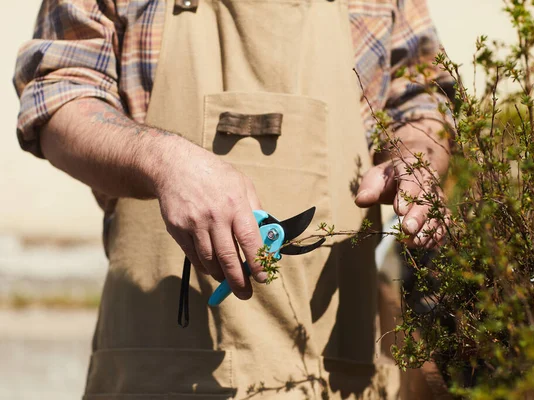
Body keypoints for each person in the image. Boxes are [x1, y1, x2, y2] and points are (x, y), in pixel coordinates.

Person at [14, 0, 453, 398]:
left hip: (340, 377)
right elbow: (59, 98)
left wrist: (415, 158)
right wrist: (165, 160)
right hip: (160, 377)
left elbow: (422, 102)